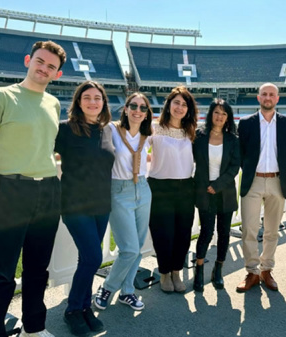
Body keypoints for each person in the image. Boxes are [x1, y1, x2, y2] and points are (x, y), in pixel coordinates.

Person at [0, 40, 66, 337]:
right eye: (40, 61)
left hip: (49, 191)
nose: (44, 68)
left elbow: (44, 146)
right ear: (28, 60)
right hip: (12, 191)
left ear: (57, 74)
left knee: (38, 270)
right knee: (2, 273)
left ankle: (34, 329)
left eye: (51, 66)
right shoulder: (0, 96)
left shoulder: (54, 103)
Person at [54, 81, 114, 335]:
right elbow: (41, 151)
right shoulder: (65, 130)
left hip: (102, 204)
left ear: (103, 103)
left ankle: (84, 307)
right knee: (93, 258)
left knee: (86, 259)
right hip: (75, 205)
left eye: (97, 98)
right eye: (87, 97)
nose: (93, 102)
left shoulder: (107, 130)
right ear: (79, 102)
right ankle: (72, 310)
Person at [94, 93, 153, 311]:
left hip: (144, 189)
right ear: (126, 109)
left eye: (143, 107)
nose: (138, 110)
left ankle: (127, 291)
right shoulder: (111, 129)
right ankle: (108, 287)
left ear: (147, 114)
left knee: (137, 249)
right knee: (128, 248)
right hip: (119, 190)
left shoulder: (149, 134)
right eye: (133, 106)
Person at [236, 83, 286, 292]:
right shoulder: (245, 123)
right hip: (252, 181)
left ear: (277, 98)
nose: (268, 97)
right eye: (264, 94)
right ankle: (252, 271)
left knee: (272, 231)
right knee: (249, 230)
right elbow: (241, 152)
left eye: (272, 94)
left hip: (276, 181)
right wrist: (252, 171)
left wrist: (275, 171)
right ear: (258, 97)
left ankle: (266, 270)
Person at [148, 85, 198, 293]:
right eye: (176, 102)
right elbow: (135, 147)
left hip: (186, 187)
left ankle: (177, 271)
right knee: (163, 233)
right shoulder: (153, 128)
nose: (179, 107)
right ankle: (164, 273)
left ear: (188, 109)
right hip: (160, 187)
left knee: (183, 234)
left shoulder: (191, 131)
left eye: (184, 104)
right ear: (168, 105)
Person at [192, 99, 240, 292]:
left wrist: (217, 185)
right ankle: (199, 270)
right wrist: (206, 187)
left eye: (224, 113)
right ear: (211, 114)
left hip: (225, 193)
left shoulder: (233, 140)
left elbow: (234, 167)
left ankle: (218, 271)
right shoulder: (199, 136)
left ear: (228, 117)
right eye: (216, 112)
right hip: (204, 193)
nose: (219, 117)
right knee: (206, 232)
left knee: (224, 233)